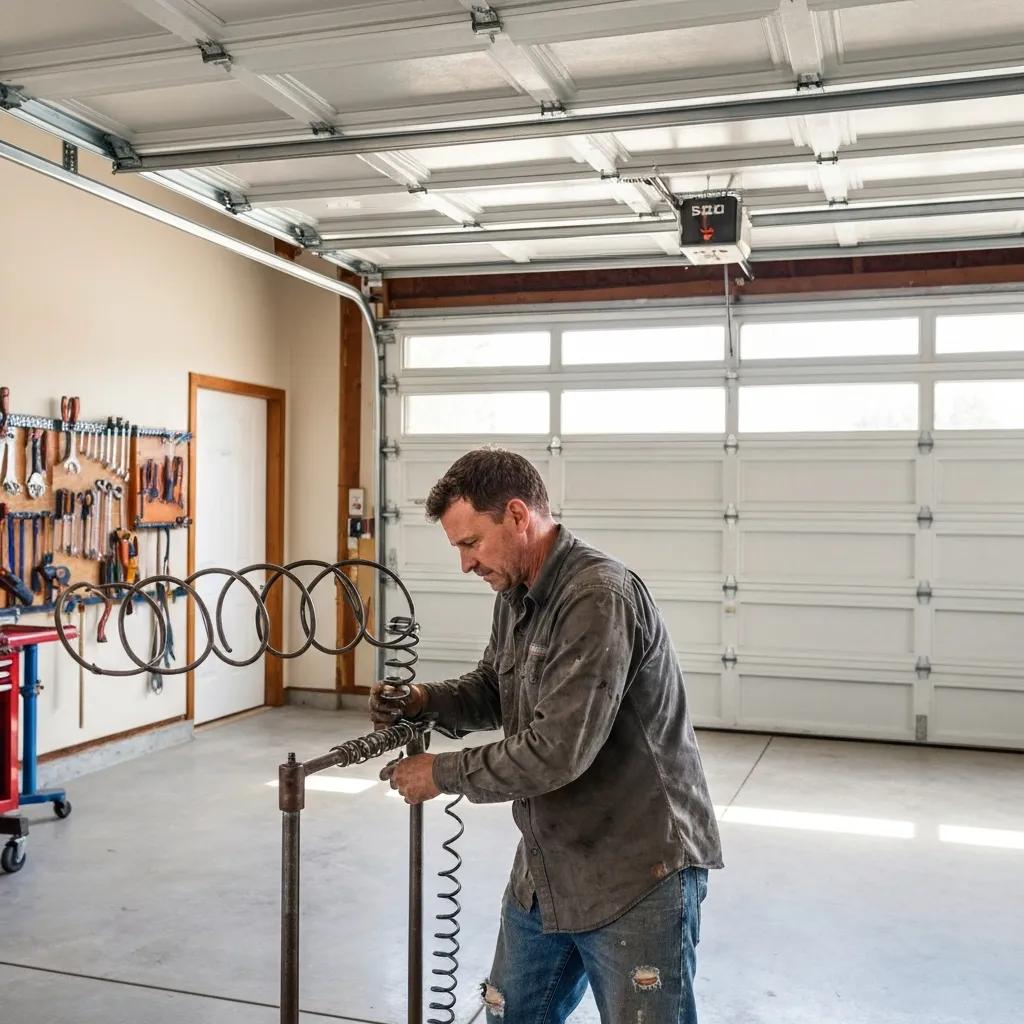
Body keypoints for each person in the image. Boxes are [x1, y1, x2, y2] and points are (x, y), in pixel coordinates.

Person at [370, 448, 722, 1023]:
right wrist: (424, 700)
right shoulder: (515, 594)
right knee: (513, 1015)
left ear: (516, 515)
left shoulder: (596, 597)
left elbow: (557, 750)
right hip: (548, 865)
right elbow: (494, 686)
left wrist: (440, 772)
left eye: (470, 543)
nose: (465, 564)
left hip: (636, 871)